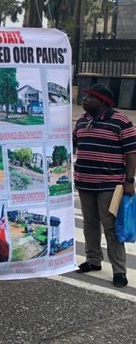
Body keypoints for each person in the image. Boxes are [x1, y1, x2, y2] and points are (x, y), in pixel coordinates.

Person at [73, 84, 136, 288]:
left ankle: (119, 270)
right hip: (84, 180)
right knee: (90, 223)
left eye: (89, 97)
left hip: (109, 183)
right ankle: (93, 260)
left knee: (110, 225)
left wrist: (129, 181)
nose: (84, 100)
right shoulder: (83, 121)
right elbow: (74, 144)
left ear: (102, 101)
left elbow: (131, 154)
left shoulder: (121, 122)